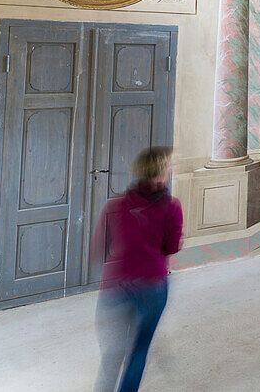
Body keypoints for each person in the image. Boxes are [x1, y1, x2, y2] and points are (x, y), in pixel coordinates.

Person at [93, 146, 183, 392]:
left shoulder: (115, 204)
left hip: (115, 286)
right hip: (152, 285)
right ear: (162, 172)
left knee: (111, 357)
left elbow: (99, 246)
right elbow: (172, 247)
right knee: (138, 351)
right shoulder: (172, 207)